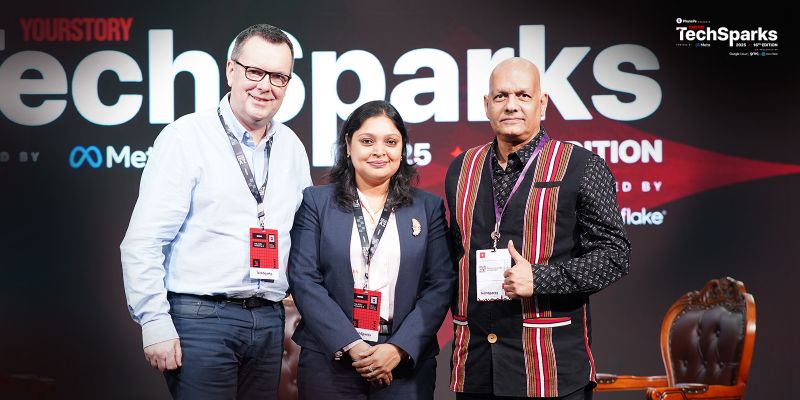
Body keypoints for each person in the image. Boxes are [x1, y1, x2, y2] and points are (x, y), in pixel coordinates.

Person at [120, 24, 311, 399]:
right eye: (255, 72)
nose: (265, 86)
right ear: (231, 71)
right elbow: (143, 241)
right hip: (201, 319)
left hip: (269, 319)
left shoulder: (291, 146)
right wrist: (154, 321)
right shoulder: (186, 136)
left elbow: (305, 237)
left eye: (278, 77)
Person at [445, 57, 631, 400]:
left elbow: (615, 256)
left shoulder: (583, 166)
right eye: (500, 96)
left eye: (523, 95)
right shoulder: (462, 168)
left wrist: (541, 279)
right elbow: (454, 257)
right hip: (476, 365)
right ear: (486, 105)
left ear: (542, 103)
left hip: (550, 369)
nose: (511, 105)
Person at [288, 100, 455, 399]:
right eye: (367, 141)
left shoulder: (427, 207)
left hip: (403, 365)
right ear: (348, 145)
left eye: (391, 142)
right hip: (331, 360)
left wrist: (398, 348)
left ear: (402, 149)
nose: (380, 151)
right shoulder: (316, 202)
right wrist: (351, 345)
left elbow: (441, 284)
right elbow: (304, 278)